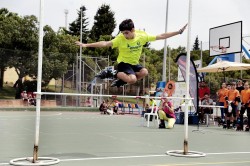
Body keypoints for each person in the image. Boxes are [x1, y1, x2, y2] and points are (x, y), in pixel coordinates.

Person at [76, 19, 187, 87]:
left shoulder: (142, 36)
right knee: (133, 79)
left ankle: (121, 81)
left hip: (134, 63)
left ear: (133, 30)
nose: (125, 35)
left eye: (127, 33)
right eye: (123, 33)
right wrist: (86, 45)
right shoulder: (120, 38)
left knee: (144, 72)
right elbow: (105, 43)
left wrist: (178, 32)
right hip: (123, 63)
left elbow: (161, 36)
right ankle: (112, 72)